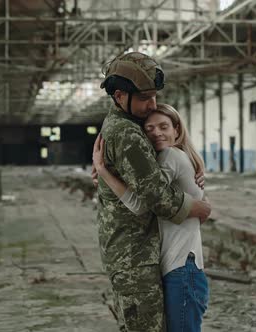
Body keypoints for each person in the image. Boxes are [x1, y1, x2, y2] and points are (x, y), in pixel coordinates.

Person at [95, 52, 211, 332]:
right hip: (135, 257)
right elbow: (157, 198)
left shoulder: (128, 125)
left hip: (136, 253)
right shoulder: (128, 135)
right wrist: (198, 206)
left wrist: (189, 173)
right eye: (145, 98)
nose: (153, 104)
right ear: (120, 95)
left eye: (155, 96)